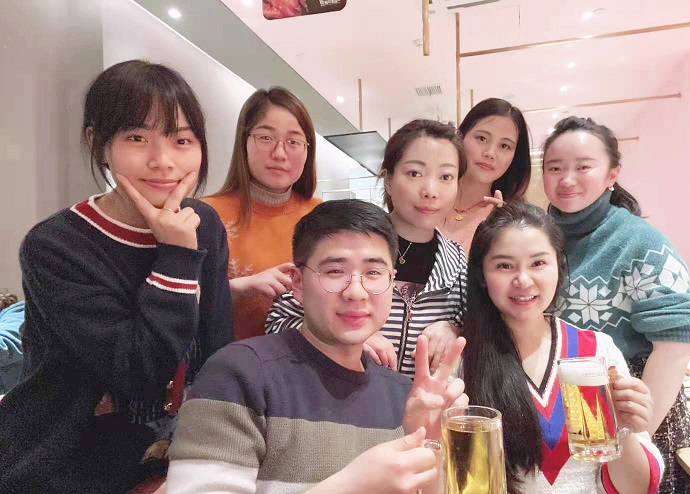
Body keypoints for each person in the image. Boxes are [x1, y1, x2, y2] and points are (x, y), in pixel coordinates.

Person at [0, 60, 232, 494]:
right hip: (63, 465)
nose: (162, 161)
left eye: (181, 140)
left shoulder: (204, 223)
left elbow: (216, 350)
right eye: (136, 138)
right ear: (98, 142)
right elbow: (139, 372)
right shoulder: (56, 245)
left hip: (171, 459)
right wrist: (177, 257)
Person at [165, 199, 468, 494]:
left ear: (391, 281)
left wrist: (433, 448)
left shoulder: (406, 398)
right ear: (297, 283)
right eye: (335, 271)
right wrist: (352, 486)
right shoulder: (239, 375)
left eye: (373, 273)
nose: (356, 291)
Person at [541, 116, 690, 493]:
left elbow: (675, 344)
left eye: (583, 167)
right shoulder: (543, 236)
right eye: (555, 168)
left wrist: (636, 433)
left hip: (635, 405)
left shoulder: (640, 243)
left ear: (612, 174)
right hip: (565, 411)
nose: (567, 179)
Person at [463, 202, 663, 493]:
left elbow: (636, 487)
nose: (523, 280)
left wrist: (626, 428)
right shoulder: (463, 359)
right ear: (482, 275)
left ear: (559, 266)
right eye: (504, 265)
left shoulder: (596, 351)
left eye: (538, 263)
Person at [266, 119, 467, 377]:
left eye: (446, 177)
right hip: (344, 397)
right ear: (389, 180)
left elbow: (481, 329)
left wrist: (455, 328)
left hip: (423, 400)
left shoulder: (457, 262)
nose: (430, 191)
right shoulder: (347, 242)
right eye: (414, 173)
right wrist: (343, 335)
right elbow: (278, 321)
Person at [203, 87, 321, 341]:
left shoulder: (323, 216)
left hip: (306, 362)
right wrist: (237, 288)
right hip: (226, 361)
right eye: (266, 137)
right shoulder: (207, 215)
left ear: (307, 150)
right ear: (244, 141)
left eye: (293, 142)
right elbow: (178, 303)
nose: (279, 153)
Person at [442, 98, 532, 253]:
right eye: (482, 138)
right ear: (461, 137)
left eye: (504, 146)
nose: (490, 153)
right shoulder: (430, 197)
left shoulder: (513, 221)